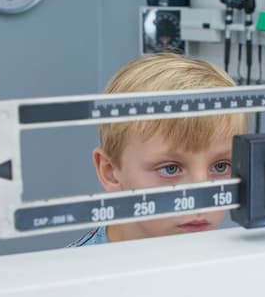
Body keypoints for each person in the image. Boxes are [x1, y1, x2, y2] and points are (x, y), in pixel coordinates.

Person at [68, 53, 248, 246]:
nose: (201, 201)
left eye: (221, 167)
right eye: (170, 169)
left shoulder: (223, 260)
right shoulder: (76, 274)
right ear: (110, 172)